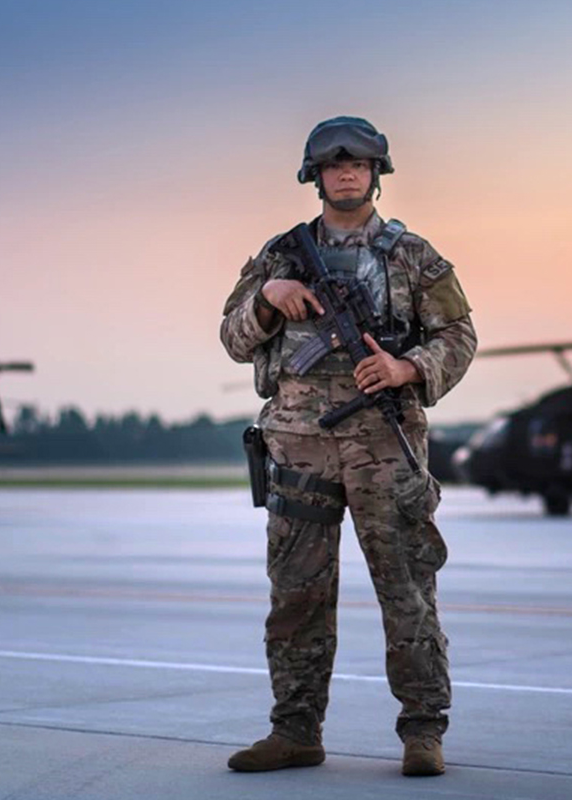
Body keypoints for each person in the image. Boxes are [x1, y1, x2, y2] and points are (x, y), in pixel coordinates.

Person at [218, 116, 476, 777]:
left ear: (376, 173)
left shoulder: (413, 255)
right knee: (297, 595)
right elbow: (233, 336)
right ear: (316, 176)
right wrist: (269, 300)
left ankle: (423, 733)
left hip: (383, 445)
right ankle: (295, 732)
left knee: (406, 592)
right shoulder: (281, 255)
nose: (347, 173)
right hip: (300, 446)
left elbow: (459, 335)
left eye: (358, 164)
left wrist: (407, 369)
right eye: (334, 166)